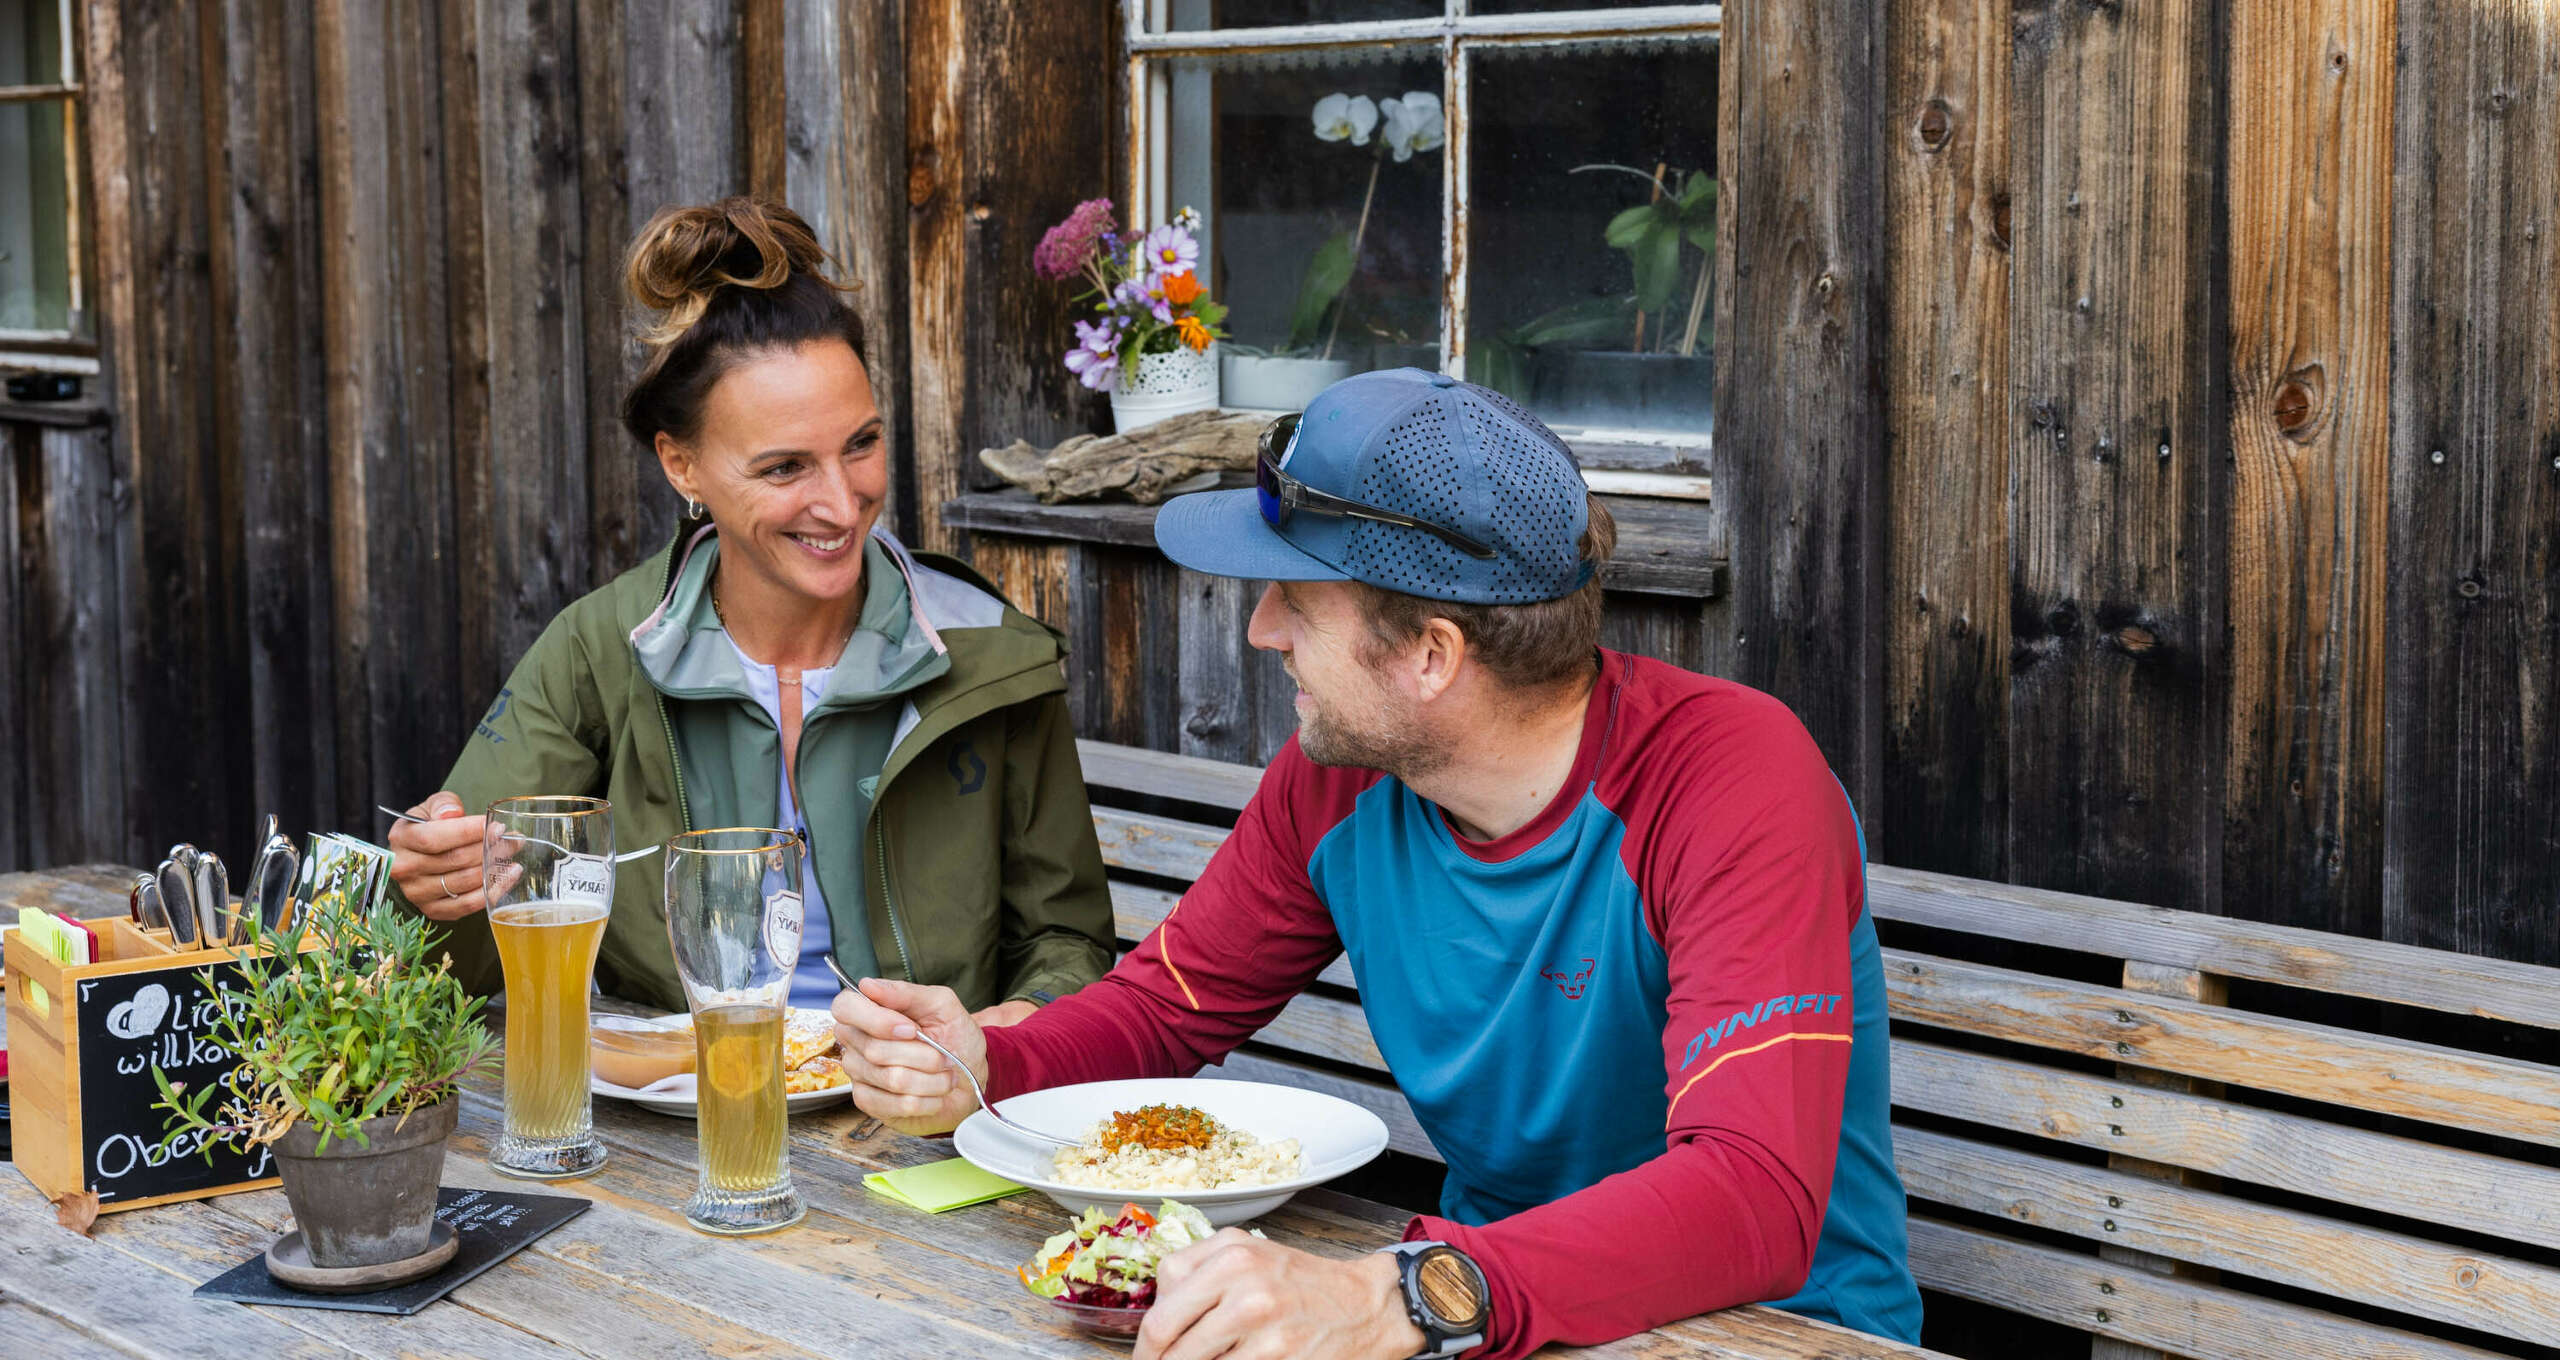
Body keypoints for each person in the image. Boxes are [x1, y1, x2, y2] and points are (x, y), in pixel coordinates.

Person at [833, 368, 1922, 1359]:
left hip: (1771, 1333)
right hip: (1481, 1313)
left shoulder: (1731, 780)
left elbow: (1751, 1199)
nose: (1261, 630)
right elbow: (1166, 1005)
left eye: (1295, 603)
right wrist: (981, 1058)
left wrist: (1397, 1295)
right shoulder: (1340, 775)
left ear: (1431, 656)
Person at [388, 197, 1114, 1025]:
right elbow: (452, 962)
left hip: (918, 1122)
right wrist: (434, 888)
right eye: (784, 469)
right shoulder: (599, 652)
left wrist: (999, 1037)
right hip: (675, 1111)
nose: (842, 506)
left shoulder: (995, 657)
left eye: (862, 444)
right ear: (682, 465)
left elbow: (1067, 942)